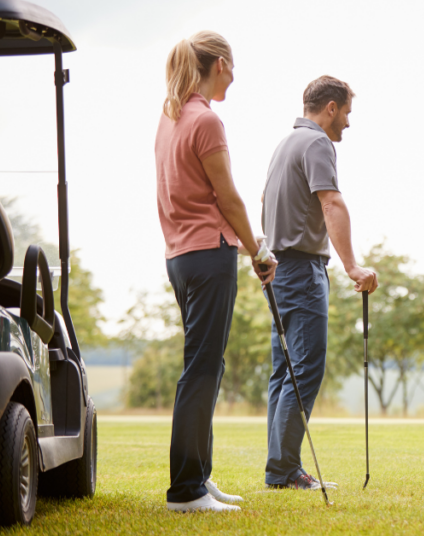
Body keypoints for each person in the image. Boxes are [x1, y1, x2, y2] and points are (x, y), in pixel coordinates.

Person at [155, 31, 276, 513]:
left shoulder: (170, 117)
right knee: (201, 369)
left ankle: (199, 478)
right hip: (209, 253)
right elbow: (228, 197)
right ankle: (185, 490)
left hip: (181, 257)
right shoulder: (206, 119)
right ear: (221, 64)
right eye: (233, 66)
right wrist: (257, 249)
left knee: (206, 365)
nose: (235, 76)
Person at [262, 75, 378, 490]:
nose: (347, 121)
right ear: (331, 107)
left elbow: (265, 203)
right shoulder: (316, 143)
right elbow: (331, 202)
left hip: (278, 271)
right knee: (304, 370)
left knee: (284, 373)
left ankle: (279, 469)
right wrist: (352, 266)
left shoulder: (285, 145)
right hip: (301, 272)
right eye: (346, 112)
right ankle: (285, 471)